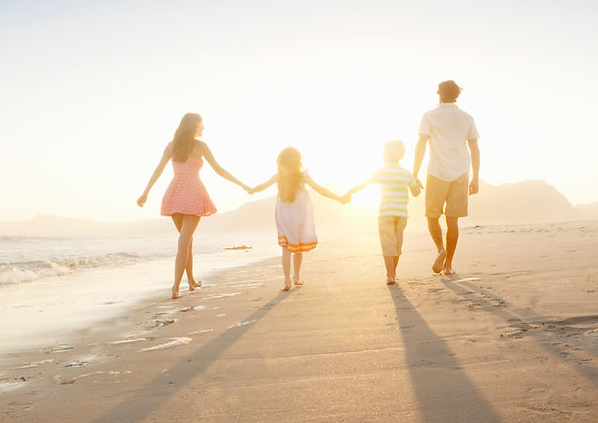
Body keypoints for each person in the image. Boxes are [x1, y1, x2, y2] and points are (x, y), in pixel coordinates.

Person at [137, 113, 250, 298]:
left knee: (186, 241)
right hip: (193, 193)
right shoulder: (200, 146)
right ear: (195, 126)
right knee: (184, 241)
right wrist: (243, 184)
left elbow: (159, 169)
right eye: (201, 125)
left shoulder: (172, 146)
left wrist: (146, 192)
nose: (203, 128)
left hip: (174, 193)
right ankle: (175, 287)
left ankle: (190, 281)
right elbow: (219, 170)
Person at [249, 147, 346, 291]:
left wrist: (251, 189)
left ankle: (287, 280)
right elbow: (320, 189)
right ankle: (297, 276)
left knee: (286, 249)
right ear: (298, 161)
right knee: (298, 248)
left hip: (283, 216)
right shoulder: (303, 176)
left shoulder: (278, 176)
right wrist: (339, 198)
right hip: (299, 215)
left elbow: (262, 186)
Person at [413, 80, 480, 275]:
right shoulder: (467, 118)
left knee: (432, 217)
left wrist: (415, 174)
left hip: (436, 173)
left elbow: (421, 146)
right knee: (453, 222)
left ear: (438, 93)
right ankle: (449, 265)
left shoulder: (429, 116)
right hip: (460, 173)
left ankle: (440, 250)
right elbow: (475, 149)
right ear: (457, 95)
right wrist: (475, 178)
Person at [343, 140, 420, 285]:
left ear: (385, 154)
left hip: (386, 213)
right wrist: (418, 185)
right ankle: (393, 272)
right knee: (397, 246)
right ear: (402, 154)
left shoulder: (381, 171)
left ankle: (390, 274)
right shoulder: (406, 173)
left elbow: (364, 184)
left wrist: (349, 193)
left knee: (387, 244)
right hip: (402, 214)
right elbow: (416, 192)